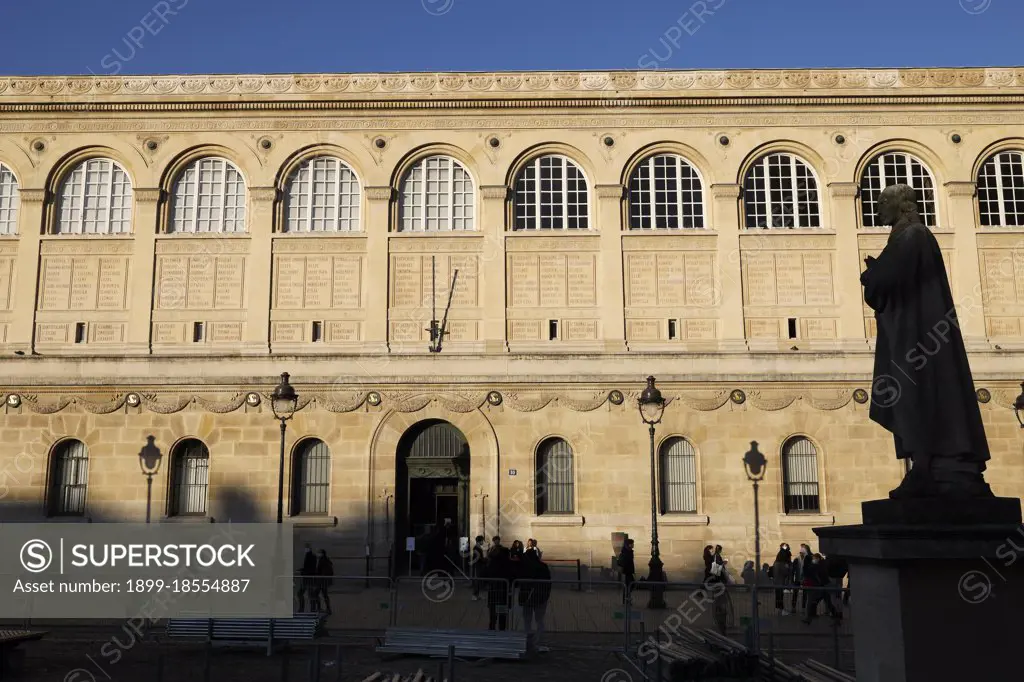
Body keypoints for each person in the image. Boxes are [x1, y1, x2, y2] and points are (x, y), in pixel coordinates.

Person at [862, 183, 993, 499]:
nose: (878, 208)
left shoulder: (913, 236)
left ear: (901, 205)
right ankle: (924, 464)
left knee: (914, 395)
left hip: (916, 338)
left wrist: (872, 275)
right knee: (910, 395)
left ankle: (927, 465)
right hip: (910, 334)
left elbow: (892, 278)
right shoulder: (907, 236)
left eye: (883, 202)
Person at [518, 549, 552, 651]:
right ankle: (537, 641)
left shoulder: (526, 567)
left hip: (529, 597)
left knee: (527, 620)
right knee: (539, 620)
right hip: (541, 597)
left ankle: (528, 641)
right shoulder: (543, 566)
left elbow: (522, 582)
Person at [802, 553, 841, 625]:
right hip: (823, 587)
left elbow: (820, 577)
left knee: (819, 603)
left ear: (818, 558)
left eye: (814, 558)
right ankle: (809, 619)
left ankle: (809, 619)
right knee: (825, 603)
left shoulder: (819, 566)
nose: (813, 560)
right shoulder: (821, 565)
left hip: (823, 587)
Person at [484, 543, 512, 631]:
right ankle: (501, 631)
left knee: (492, 616)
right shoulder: (506, 564)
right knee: (502, 617)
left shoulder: (491, 563)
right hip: (503, 594)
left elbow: (485, 575)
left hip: (493, 593)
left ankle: (492, 631)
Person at [772, 545, 793, 615]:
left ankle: (778, 609)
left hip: (776, 581)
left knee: (778, 595)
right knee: (780, 596)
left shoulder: (776, 562)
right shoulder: (783, 563)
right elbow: (786, 573)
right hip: (780, 582)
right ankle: (781, 610)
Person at [791, 543, 811, 613]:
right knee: (795, 593)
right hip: (797, 578)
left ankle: (803, 607)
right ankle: (793, 607)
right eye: (800, 553)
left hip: (804, 579)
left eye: (803, 553)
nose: (801, 554)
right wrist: (792, 579)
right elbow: (793, 570)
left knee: (805, 594)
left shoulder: (807, 560)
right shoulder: (796, 560)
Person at [314, 548, 334, 615]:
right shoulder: (324, 560)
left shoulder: (323, 561)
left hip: (322, 581)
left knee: (316, 594)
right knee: (324, 595)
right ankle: (327, 609)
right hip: (323, 581)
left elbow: (323, 571)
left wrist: (319, 577)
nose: (318, 554)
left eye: (319, 552)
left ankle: (321, 608)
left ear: (322, 554)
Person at [297, 543, 316, 612]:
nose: (305, 549)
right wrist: (302, 570)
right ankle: (311, 609)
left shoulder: (309, 556)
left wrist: (302, 571)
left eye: (306, 548)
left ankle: (303, 609)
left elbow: (309, 568)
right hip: (308, 578)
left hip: (307, 578)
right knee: (309, 594)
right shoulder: (311, 556)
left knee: (303, 594)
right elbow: (309, 567)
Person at [618, 538, 635, 603]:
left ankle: (626, 599)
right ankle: (626, 600)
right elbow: (627, 562)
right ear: (629, 544)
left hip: (628, 571)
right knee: (629, 585)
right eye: (632, 543)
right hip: (627, 572)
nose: (633, 545)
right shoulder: (627, 552)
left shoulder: (628, 551)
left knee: (629, 585)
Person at [471, 535, 486, 601]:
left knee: (478, 580)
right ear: (480, 541)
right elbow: (477, 557)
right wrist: (484, 560)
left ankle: (477, 595)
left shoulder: (477, 547)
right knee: (477, 580)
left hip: (478, 565)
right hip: (477, 565)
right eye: (482, 540)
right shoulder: (476, 548)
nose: (483, 542)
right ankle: (474, 595)